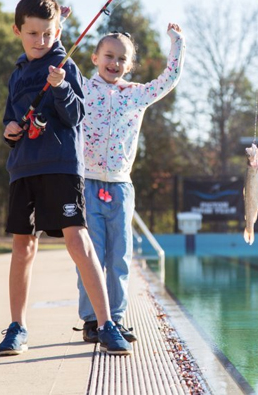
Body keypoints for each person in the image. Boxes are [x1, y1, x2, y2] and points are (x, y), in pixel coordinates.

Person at [0, 0, 131, 356]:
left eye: (47, 33)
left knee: (77, 241)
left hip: (61, 167)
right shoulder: (17, 73)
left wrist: (60, 88)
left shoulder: (65, 65)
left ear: (57, 31)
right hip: (23, 168)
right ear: (18, 31)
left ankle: (106, 324)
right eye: (32, 34)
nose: (40, 41)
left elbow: (75, 117)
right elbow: (11, 118)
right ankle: (17, 327)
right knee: (23, 246)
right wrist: (9, 128)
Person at [77, 23, 186, 344]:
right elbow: (59, 64)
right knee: (91, 255)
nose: (115, 63)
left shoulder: (136, 94)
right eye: (109, 56)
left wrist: (177, 43)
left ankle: (116, 319)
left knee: (120, 256)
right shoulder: (82, 87)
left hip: (121, 187)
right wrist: (59, 28)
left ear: (130, 65)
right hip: (87, 183)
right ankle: (91, 320)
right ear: (96, 58)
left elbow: (169, 79)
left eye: (122, 59)